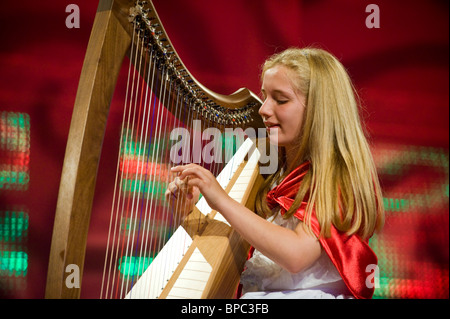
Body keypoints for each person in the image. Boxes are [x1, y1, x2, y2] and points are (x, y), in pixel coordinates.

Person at [165, 47, 384, 299]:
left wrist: (220, 199)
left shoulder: (336, 177)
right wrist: (188, 213)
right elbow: (239, 248)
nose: (263, 109)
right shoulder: (273, 174)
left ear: (318, 111)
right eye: (265, 96)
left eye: (280, 100)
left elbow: (295, 255)